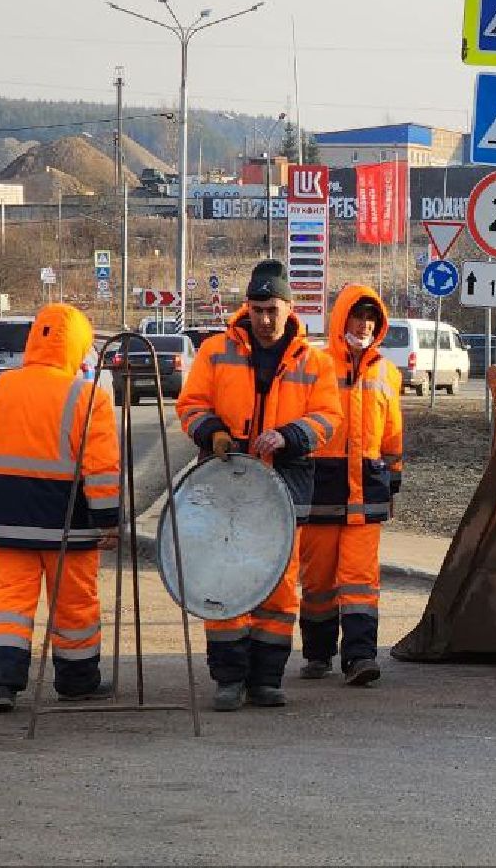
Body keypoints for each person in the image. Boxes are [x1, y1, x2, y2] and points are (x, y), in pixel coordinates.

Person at [176, 260, 342, 712]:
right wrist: (212, 431)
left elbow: (328, 417)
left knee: (279, 584)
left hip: (285, 482)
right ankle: (229, 679)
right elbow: (190, 403)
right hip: (227, 480)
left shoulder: (315, 362)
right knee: (224, 576)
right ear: (246, 307)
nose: (265, 319)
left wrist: (290, 436)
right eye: (257, 308)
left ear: (290, 309)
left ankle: (266, 678)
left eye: (272, 309)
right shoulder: (214, 350)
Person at [0, 303, 120, 713]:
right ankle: (77, 680)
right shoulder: (88, 397)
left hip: (6, 517)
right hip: (69, 521)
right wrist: (107, 522)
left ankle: (2, 684)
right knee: (74, 604)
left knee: (9, 602)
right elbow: (101, 467)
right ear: (79, 346)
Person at [298, 286, 404, 687]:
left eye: (371, 319)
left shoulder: (385, 372)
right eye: (357, 317)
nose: (364, 325)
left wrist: (393, 484)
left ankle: (360, 658)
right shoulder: (316, 364)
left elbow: (393, 434)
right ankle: (318, 653)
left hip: (369, 489)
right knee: (320, 580)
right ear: (342, 319)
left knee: (360, 581)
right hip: (322, 487)